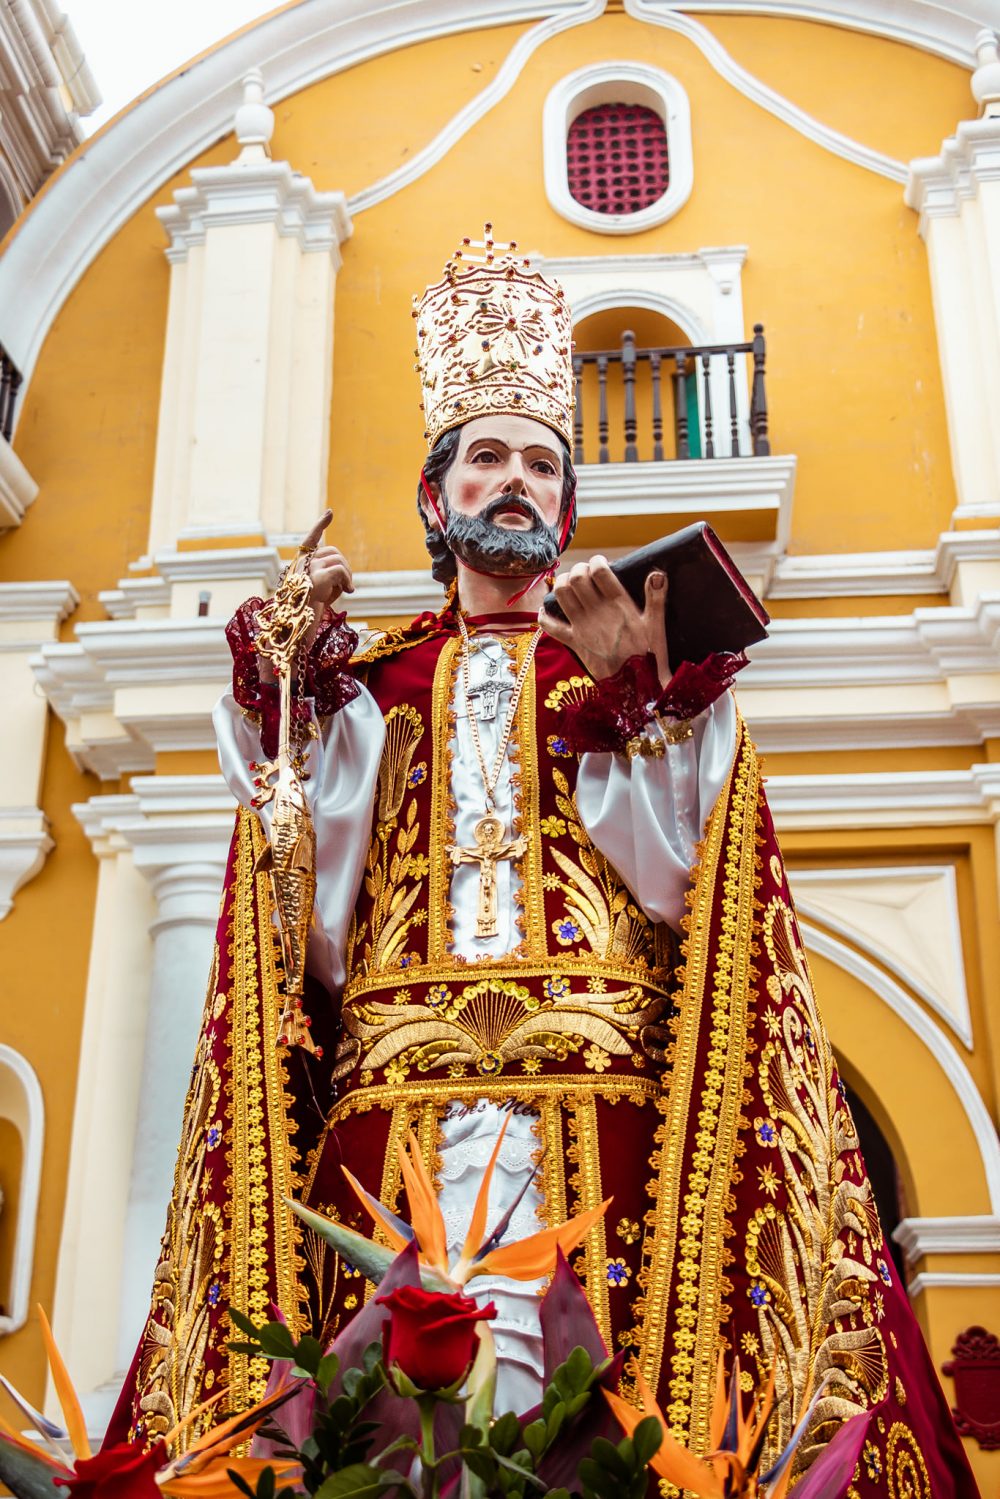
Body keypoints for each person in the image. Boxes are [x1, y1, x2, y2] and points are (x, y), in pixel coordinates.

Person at [120, 234, 979, 1493]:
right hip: (394, 1115)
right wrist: (283, 682)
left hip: (606, 1113)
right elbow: (299, 878)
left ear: (568, 511)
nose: (512, 481)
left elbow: (688, 884)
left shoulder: (649, 673)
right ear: (438, 499)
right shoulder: (368, 688)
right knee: (385, 1438)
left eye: (538, 464)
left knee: (603, 1428)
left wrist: (638, 697)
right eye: (486, 459)